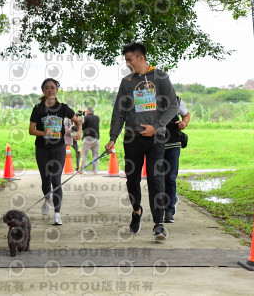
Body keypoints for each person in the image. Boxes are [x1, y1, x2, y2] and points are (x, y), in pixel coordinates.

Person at [106, 42, 178, 243]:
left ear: (141, 58)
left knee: (156, 179)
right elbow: (119, 111)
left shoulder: (161, 77)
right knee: (132, 180)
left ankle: (158, 224)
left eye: (129, 60)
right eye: (126, 60)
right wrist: (113, 137)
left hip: (156, 138)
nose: (128, 64)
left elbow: (174, 104)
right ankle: (137, 210)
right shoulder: (127, 82)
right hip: (132, 138)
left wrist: (158, 126)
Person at [29, 78, 82, 225]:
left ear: (57, 90)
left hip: (58, 148)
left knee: (56, 180)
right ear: (43, 91)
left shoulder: (63, 108)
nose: (50, 90)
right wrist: (44, 133)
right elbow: (31, 130)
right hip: (42, 148)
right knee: (45, 180)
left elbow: (78, 121)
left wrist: (80, 132)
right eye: (47, 88)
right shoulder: (38, 109)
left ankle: (57, 214)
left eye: (53, 87)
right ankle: (47, 199)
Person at [162, 96, 190, 223]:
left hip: (173, 143)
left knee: (170, 177)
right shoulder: (147, 98)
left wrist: (184, 123)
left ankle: (169, 210)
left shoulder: (176, 100)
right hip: (154, 144)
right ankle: (168, 201)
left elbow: (186, 114)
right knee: (158, 178)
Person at [81, 107, 100, 174]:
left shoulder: (85, 118)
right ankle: (95, 170)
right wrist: (84, 113)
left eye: (86, 111)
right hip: (96, 138)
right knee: (95, 155)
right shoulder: (97, 118)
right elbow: (90, 119)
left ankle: (82, 170)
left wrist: (81, 115)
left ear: (88, 112)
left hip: (88, 138)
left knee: (84, 155)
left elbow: (82, 126)